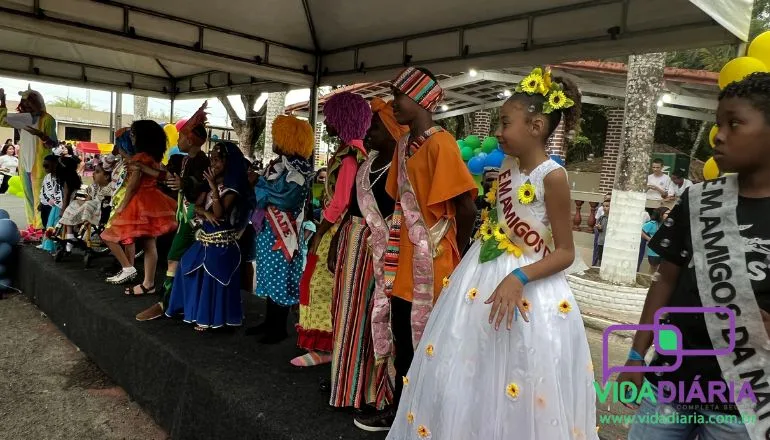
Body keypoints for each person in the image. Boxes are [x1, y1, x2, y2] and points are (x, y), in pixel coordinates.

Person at [383, 67, 598, 439]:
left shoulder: (553, 176)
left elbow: (565, 253)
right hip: (482, 276)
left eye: (505, 122)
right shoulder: (506, 166)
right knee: (476, 369)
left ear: (536, 126)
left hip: (531, 287)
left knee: (521, 376)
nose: (497, 132)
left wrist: (518, 277)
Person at [620, 73, 770, 440]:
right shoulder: (699, 199)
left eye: (735, 123)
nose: (718, 135)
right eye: (718, 124)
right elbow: (665, 280)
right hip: (671, 382)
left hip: (747, 398)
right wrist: (637, 355)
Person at [355, 67, 479, 431]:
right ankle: (401, 414)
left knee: (429, 343)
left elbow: (466, 207)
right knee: (402, 339)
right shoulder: (406, 144)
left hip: (434, 261)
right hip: (402, 259)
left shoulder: (441, 144)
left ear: (422, 99)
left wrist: (461, 258)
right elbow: (398, 201)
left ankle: (425, 418)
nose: (393, 105)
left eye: (399, 96)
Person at [328, 98, 406, 414]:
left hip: (383, 250)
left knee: (375, 319)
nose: (368, 132)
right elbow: (350, 209)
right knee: (346, 314)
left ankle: (371, 391)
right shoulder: (364, 165)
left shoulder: (403, 169)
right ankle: (343, 385)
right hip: (353, 243)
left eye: (375, 126)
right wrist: (335, 242)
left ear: (391, 129)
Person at [297, 93, 372, 363]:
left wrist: (320, 231)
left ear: (343, 119)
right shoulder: (349, 153)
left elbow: (341, 201)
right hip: (335, 226)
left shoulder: (349, 158)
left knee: (322, 284)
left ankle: (325, 347)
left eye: (330, 117)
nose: (326, 122)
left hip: (336, 229)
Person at [165, 142, 255, 331]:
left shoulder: (233, 188)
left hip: (222, 244)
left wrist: (213, 190)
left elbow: (219, 214)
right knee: (185, 265)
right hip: (205, 239)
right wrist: (205, 212)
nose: (212, 163)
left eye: (217, 159)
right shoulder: (210, 184)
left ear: (228, 162)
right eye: (211, 159)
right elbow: (196, 207)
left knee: (210, 271)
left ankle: (209, 317)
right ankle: (190, 309)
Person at [135, 104, 211, 321]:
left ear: (190, 139)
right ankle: (174, 300)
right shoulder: (183, 160)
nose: (178, 140)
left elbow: (200, 184)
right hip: (185, 215)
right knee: (178, 259)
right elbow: (164, 176)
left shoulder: (202, 161)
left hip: (195, 218)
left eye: (180, 136)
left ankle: (166, 301)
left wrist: (184, 183)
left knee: (173, 257)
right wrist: (143, 168)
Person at [249, 115, 314, 344]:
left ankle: (278, 328)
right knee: (268, 275)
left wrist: (260, 186)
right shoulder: (280, 165)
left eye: (278, 136)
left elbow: (285, 200)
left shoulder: (299, 171)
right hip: (270, 231)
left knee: (280, 278)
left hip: (284, 235)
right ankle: (269, 322)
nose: (274, 140)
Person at [101, 120, 178, 291]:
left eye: (134, 134)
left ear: (142, 137)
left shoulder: (140, 158)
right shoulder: (153, 157)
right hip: (153, 201)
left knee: (108, 235)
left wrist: (122, 207)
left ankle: (128, 268)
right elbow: (159, 175)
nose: (131, 137)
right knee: (149, 244)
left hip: (139, 201)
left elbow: (133, 185)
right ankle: (148, 283)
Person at [0, 87, 57, 228]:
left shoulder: (47, 119)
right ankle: (32, 225)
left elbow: (54, 143)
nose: (26, 105)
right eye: (23, 102)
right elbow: (2, 120)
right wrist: (2, 101)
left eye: (29, 102)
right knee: (28, 196)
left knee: (40, 197)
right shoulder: (23, 118)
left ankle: (41, 227)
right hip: (24, 163)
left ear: (37, 102)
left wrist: (41, 135)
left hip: (41, 165)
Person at [59, 161, 113, 254]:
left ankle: (78, 226)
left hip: (101, 212)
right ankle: (70, 234)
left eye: (97, 172)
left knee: (89, 204)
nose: (93, 174)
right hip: (89, 209)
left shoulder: (110, 188)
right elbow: (88, 199)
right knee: (75, 203)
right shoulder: (93, 187)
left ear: (106, 176)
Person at [640, 206, 669, 274]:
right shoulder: (652, 223)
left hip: (664, 251)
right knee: (653, 269)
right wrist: (649, 239)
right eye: (667, 213)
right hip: (653, 251)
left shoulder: (668, 225)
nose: (669, 215)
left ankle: (649, 282)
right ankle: (648, 282)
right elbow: (641, 232)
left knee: (660, 270)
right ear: (661, 214)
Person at [595, 199, 610, 266]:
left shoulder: (612, 219)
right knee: (600, 260)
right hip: (601, 242)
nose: (604, 208)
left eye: (607, 206)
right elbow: (600, 231)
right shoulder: (601, 218)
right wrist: (599, 228)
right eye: (603, 206)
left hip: (609, 244)